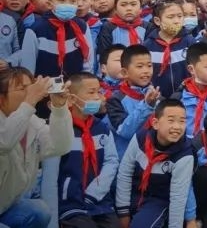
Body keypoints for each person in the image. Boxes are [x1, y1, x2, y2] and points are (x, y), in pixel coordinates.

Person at [0, 68, 73, 228]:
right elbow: (5, 142)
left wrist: (59, 108)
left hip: (5, 206)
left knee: (39, 210)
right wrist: (30, 100)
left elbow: (60, 146)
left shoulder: (30, 121)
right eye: (22, 88)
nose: (30, 92)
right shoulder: (22, 116)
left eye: (31, 86)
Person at [115, 98, 196, 228]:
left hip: (157, 201)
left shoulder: (184, 155)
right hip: (132, 194)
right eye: (171, 120)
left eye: (182, 121)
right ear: (155, 123)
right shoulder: (140, 138)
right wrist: (122, 213)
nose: (177, 127)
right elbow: (125, 174)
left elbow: (178, 197)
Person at [58, 73, 119, 228]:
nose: (98, 97)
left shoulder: (102, 128)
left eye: (99, 91)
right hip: (70, 202)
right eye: (91, 92)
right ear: (71, 99)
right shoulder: (60, 128)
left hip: (99, 201)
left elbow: (111, 161)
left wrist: (95, 193)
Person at [106, 44, 160, 156]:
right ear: (124, 72)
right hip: (125, 157)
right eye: (140, 66)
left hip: (153, 157)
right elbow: (124, 132)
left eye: (149, 66)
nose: (146, 71)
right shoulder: (115, 100)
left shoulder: (157, 96)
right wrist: (146, 106)